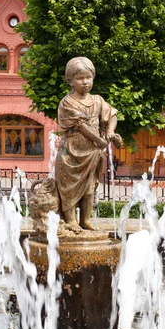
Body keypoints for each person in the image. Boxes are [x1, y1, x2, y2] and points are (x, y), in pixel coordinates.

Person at [55, 57, 122, 231]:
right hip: (71, 153)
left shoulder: (98, 100)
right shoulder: (67, 102)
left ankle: (85, 220)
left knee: (89, 188)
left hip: (92, 153)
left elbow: (112, 115)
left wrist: (109, 131)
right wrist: (98, 140)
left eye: (88, 77)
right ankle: (71, 220)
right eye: (79, 78)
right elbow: (80, 125)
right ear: (70, 80)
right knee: (69, 186)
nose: (85, 82)